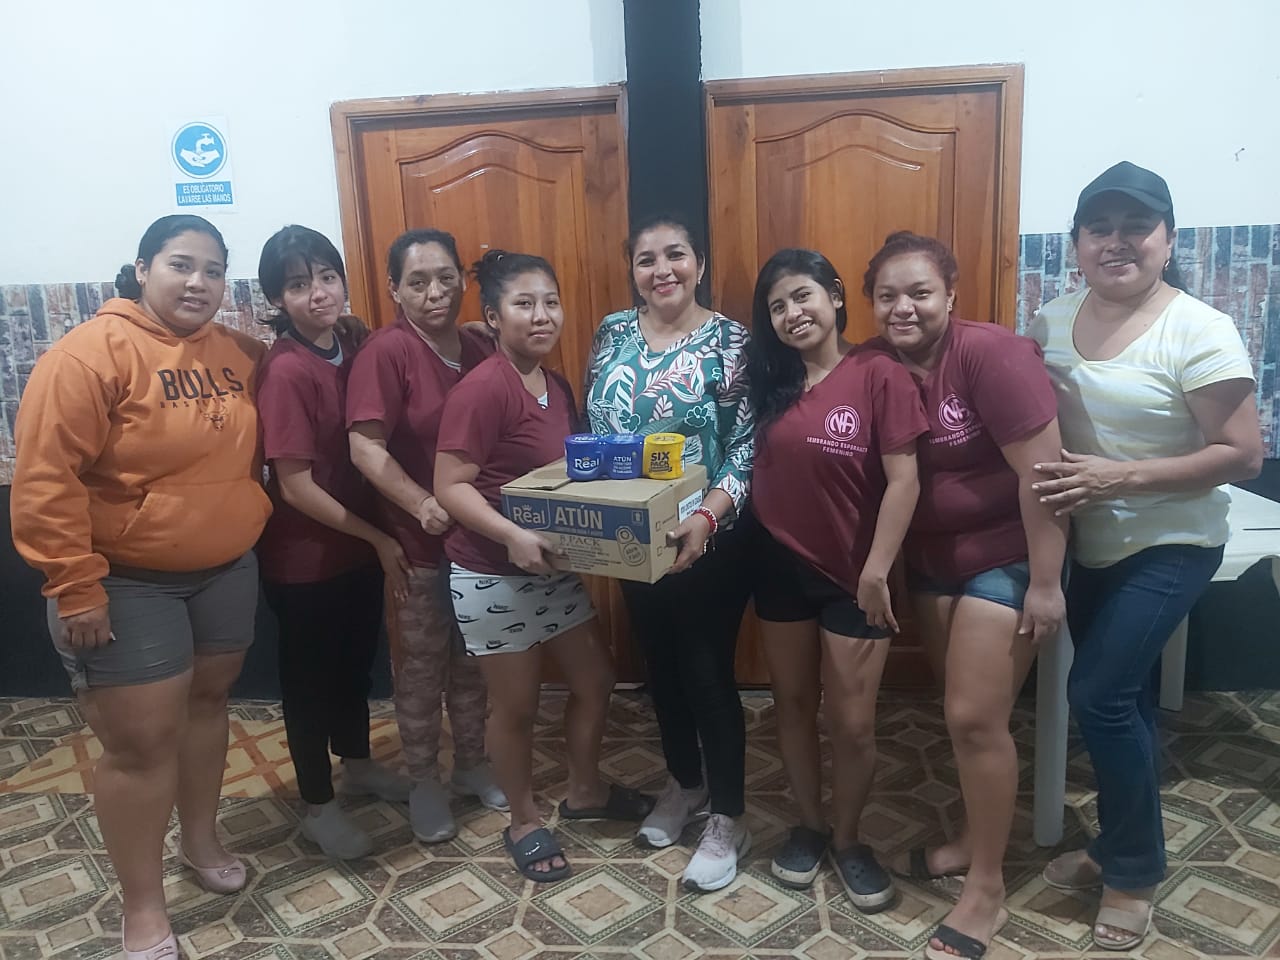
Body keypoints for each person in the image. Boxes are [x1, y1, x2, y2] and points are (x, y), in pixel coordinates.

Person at [11, 215, 272, 960]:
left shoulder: (239, 353)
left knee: (208, 705)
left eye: (213, 270)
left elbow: (300, 375)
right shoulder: (87, 355)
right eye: (180, 264)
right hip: (125, 582)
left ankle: (201, 840)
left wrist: (338, 331)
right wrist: (75, 586)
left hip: (225, 568)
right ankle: (144, 908)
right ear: (141, 268)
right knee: (141, 745)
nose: (198, 282)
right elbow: (45, 481)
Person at [1030, 162, 1262, 951]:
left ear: (1168, 239)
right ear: (1077, 242)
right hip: (1088, 541)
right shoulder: (1052, 319)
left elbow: (1243, 455)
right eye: (1100, 228)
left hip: (1173, 541)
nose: (1117, 241)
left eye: (1137, 227)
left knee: (1096, 695)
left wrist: (1119, 477)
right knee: (1119, 701)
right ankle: (1115, 844)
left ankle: (1133, 872)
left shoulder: (1199, 328)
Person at [862, 232, 1067, 960]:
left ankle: (986, 889)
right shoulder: (877, 364)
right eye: (887, 295)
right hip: (932, 565)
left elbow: (1045, 476)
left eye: (920, 292)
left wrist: (1046, 583)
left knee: (974, 719)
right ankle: (969, 844)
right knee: (963, 721)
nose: (903, 308)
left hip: (1007, 559)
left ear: (950, 293)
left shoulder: (990, 354)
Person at [434, 249, 653, 883]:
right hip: (491, 573)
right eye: (524, 304)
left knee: (596, 680)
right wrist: (510, 536)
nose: (541, 316)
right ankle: (524, 820)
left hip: (550, 570)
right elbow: (449, 485)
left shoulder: (554, 385)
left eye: (550, 303)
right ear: (493, 316)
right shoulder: (483, 388)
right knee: (517, 707)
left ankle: (585, 791)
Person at [745, 249, 927, 911]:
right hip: (777, 567)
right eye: (777, 307)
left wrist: (877, 570)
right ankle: (810, 826)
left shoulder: (879, 373)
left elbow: (905, 480)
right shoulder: (770, 383)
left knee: (851, 723)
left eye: (802, 296)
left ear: (836, 295)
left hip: (856, 576)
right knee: (792, 705)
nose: (792, 314)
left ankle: (849, 840)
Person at [583, 213, 755, 892]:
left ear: (699, 263)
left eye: (675, 255)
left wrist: (706, 519)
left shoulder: (731, 343)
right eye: (646, 259)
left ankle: (729, 816)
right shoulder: (612, 331)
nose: (662, 271)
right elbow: (599, 429)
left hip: (710, 539)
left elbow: (745, 448)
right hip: (636, 540)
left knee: (707, 675)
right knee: (660, 668)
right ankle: (685, 784)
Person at [254, 225, 418, 860]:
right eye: (299, 284)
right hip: (304, 560)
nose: (318, 293)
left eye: (327, 277)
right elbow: (295, 486)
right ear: (277, 298)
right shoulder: (286, 370)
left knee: (355, 666)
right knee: (309, 684)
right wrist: (377, 536)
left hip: (357, 549)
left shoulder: (349, 344)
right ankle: (318, 807)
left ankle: (359, 765)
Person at [347, 228, 506, 844]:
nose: (435, 292)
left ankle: (471, 765)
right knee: (420, 671)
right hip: (419, 547)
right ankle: (422, 782)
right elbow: (365, 447)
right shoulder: (387, 352)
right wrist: (420, 504)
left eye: (445, 277)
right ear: (395, 289)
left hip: (478, 542)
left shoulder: (478, 344)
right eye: (417, 282)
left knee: (472, 664)